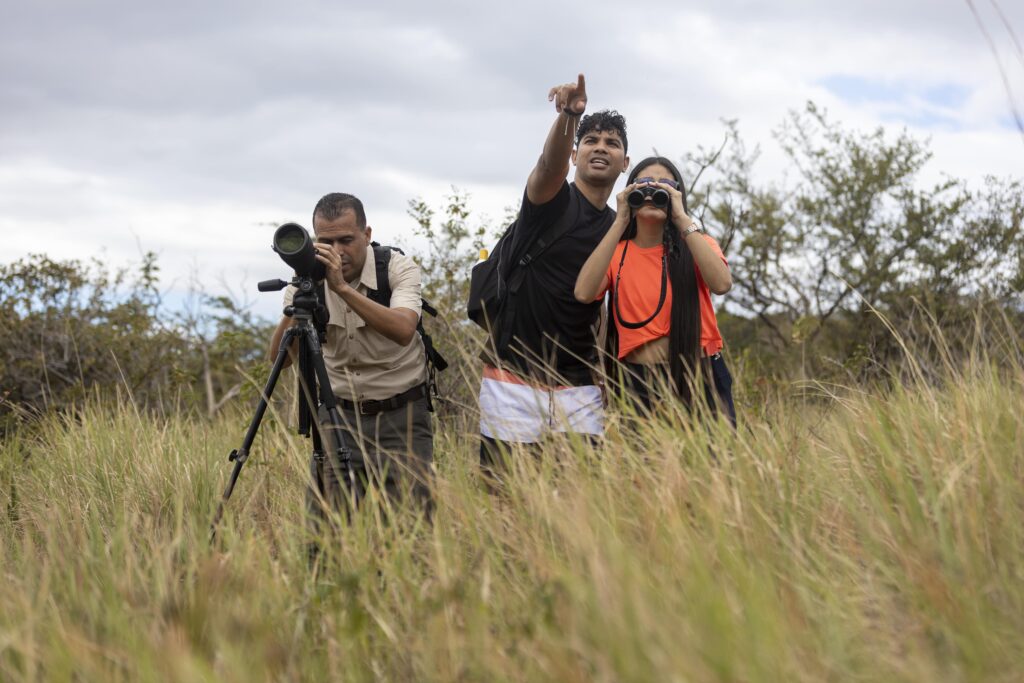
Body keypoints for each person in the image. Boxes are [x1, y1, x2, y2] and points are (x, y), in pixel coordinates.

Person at [478, 73, 629, 470]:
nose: (601, 148)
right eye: (591, 141)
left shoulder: (620, 226)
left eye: (612, 143)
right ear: (576, 154)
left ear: (625, 163)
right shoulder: (550, 201)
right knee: (505, 497)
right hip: (511, 374)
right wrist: (569, 117)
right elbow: (548, 165)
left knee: (579, 501)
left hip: (579, 384)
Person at [268, 192, 433, 526]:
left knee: (410, 529)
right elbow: (278, 360)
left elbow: (403, 330)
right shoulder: (307, 278)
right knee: (327, 529)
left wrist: (342, 288)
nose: (337, 251)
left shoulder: (396, 268)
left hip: (401, 415)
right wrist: (303, 295)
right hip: (338, 417)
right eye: (326, 241)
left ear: (367, 235)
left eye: (346, 239)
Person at [574, 156, 736, 424]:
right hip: (639, 380)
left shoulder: (698, 244)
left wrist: (682, 218)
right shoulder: (616, 253)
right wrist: (620, 222)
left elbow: (721, 284)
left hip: (700, 374)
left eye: (664, 185)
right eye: (644, 183)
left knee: (713, 464)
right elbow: (583, 292)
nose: (653, 190)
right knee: (647, 466)